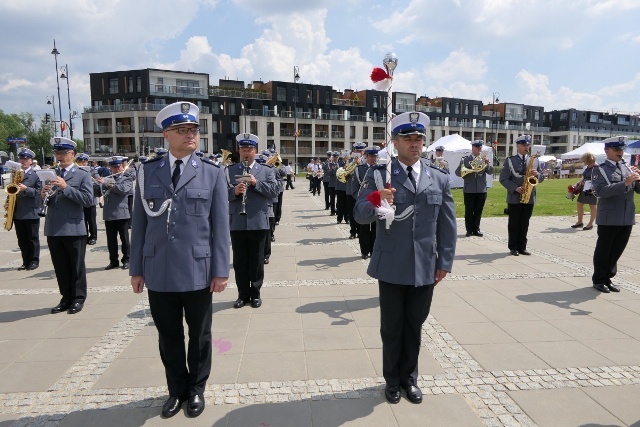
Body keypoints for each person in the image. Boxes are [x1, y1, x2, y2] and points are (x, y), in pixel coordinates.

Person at [129, 101, 230, 418]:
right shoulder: (147, 172)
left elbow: (221, 228)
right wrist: (136, 269)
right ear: (166, 135)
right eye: (182, 130)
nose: (191, 134)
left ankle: (197, 390)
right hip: (158, 269)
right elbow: (140, 224)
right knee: (168, 335)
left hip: (198, 270)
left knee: (199, 335)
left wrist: (221, 271)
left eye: (194, 129)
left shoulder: (212, 173)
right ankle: (177, 391)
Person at [354, 111, 456, 405]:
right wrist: (378, 200)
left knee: (415, 325)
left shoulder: (438, 177)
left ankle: (409, 379)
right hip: (391, 265)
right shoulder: (379, 174)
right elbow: (359, 216)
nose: (414, 144)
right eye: (408, 139)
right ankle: (392, 381)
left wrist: (444, 262)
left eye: (419, 139)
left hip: (425, 265)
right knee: (392, 327)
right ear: (394, 142)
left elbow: (447, 224)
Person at [39, 137, 93, 314]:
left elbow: (87, 200)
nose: (59, 156)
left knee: (76, 267)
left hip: (73, 227)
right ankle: (66, 298)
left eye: (63, 153)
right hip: (54, 227)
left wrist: (65, 187)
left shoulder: (82, 175)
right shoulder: (50, 174)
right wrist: (43, 194)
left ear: (73, 154)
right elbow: (47, 201)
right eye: (57, 153)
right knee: (60, 267)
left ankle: (78, 298)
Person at [227, 133, 279, 309]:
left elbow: (273, 191)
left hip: (258, 221)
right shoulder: (230, 170)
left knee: (256, 262)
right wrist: (234, 192)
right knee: (240, 262)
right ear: (239, 151)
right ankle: (242, 295)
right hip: (237, 222)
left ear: (255, 151)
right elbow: (220, 193)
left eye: (249, 149)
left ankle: (256, 294)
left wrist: (256, 183)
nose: (246, 152)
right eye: (243, 149)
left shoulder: (266, 170)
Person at [591, 136, 640, 293]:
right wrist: (625, 183)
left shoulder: (626, 167)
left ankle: (608, 277)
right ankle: (599, 279)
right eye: (617, 149)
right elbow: (600, 192)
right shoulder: (600, 169)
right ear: (607, 151)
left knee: (617, 249)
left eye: (621, 149)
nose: (620, 152)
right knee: (604, 250)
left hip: (626, 216)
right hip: (609, 217)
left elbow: (636, 189)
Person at [499, 135, 544, 256]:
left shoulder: (534, 160)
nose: (526, 147)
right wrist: (515, 188)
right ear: (518, 146)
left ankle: (522, 246)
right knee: (514, 223)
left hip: (529, 196)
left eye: (528, 145)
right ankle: (513, 247)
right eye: (524, 145)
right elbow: (503, 179)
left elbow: (542, 178)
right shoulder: (510, 160)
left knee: (525, 222)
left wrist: (538, 174)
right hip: (515, 197)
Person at [96, 156, 133, 270]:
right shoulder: (107, 178)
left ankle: (127, 259)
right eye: (114, 167)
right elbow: (100, 193)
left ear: (122, 167)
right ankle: (113, 261)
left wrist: (107, 183)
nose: (117, 169)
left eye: (118, 166)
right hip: (109, 213)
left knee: (125, 239)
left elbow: (123, 190)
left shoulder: (127, 178)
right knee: (111, 240)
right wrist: (98, 184)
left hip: (122, 213)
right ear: (110, 168)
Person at [455, 140, 494, 237]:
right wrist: (466, 172)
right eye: (478, 148)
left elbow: (490, 172)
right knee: (469, 211)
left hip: (481, 189)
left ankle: (476, 229)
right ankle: (469, 230)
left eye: (480, 148)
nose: (480, 150)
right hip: (469, 189)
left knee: (478, 210)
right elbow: (457, 172)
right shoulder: (465, 160)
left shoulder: (484, 159)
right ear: (473, 148)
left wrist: (488, 164)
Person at [11, 148, 42, 271]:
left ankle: (34, 261)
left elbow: (40, 192)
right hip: (18, 212)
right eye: (21, 159)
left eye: (25, 159)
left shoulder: (35, 175)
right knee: (22, 239)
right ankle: (26, 261)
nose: (23, 161)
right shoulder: (15, 174)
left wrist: (26, 189)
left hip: (31, 212)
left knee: (32, 239)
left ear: (31, 161)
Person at [352, 145, 379, 258]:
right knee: (363, 229)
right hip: (364, 204)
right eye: (371, 156)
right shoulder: (359, 169)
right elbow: (354, 188)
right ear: (366, 156)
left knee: (375, 229)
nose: (374, 158)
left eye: (375, 156)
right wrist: (360, 201)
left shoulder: (381, 169)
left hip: (376, 204)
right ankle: (364, 251)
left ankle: (374, 250)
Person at [75, 153, 99, 245]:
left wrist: (92, 181)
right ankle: (84, 236)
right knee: (82, 219)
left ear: (87, 162)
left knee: (91, 220)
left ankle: (93, 236)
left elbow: (97, 182)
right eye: (80, 161)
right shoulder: (76, 171)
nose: (82, 163)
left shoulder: (92, 171)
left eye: (84, 161)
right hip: (80, 199)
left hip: (90, 200)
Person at [570, 152, 598, 230]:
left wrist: (593, 188)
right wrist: (578, 184)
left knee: (592, 205)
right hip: (584, 187)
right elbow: (583, 177)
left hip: (591, 189)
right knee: (579, 203)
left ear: (588, 160)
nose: (583, 162)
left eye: (584, 161)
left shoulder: (596, 168)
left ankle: (590, 224)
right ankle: (579, 222)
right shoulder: (588, 168)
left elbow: (597, 179)